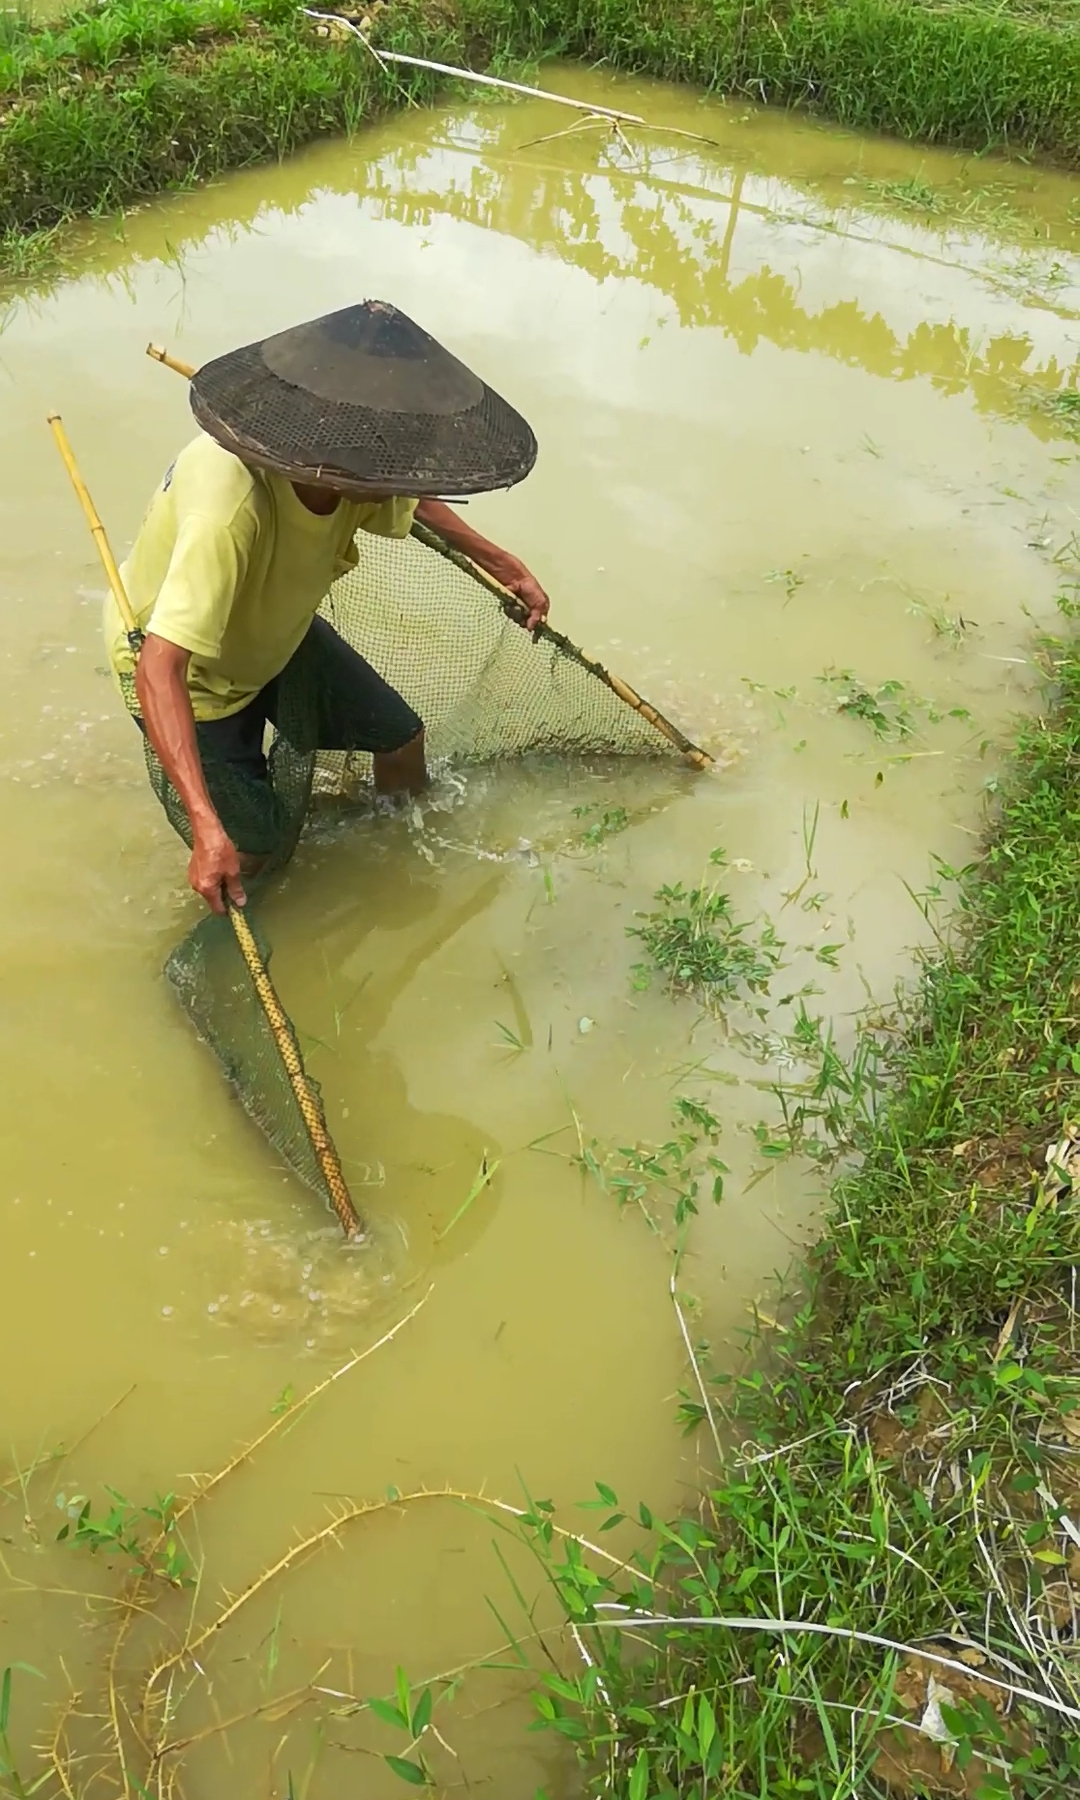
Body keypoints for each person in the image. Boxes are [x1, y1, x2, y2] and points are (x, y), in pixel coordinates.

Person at [105, 301, 547, 915]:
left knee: (399, 739)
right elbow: (161, 667)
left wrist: (501, 560)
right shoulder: (229, 511)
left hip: (272, 631)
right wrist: (207, 831)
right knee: (249, 852)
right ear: (332, 458)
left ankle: (393, 863)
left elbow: (407, 499)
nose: (397, 474)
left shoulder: (353, 472)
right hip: (197, 675)